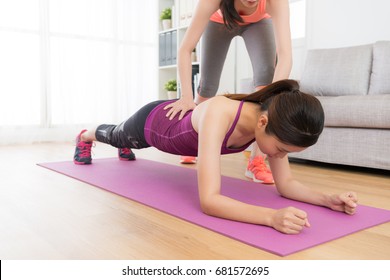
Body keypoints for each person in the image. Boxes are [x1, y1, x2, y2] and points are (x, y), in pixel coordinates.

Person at [73, 80, 358, 234]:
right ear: (263, 124)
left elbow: (286, 185)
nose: (280, 156)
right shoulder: (221, 112)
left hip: (174, 120)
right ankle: (86, 135)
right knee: (115, 135)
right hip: (153, 124)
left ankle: (123, 146)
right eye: (282, 150)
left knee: (122, 141)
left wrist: (327, 199)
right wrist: (271, 218)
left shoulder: (272, 125)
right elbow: (210, 201)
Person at [164, 0, 293, 184]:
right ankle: (192, 140)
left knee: (267, 83)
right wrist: (186, 97)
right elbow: (185, 49)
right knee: (208, 85)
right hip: (219, 22)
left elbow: (285, 55)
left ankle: (256, 162)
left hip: (259, 24)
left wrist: (274, 102)